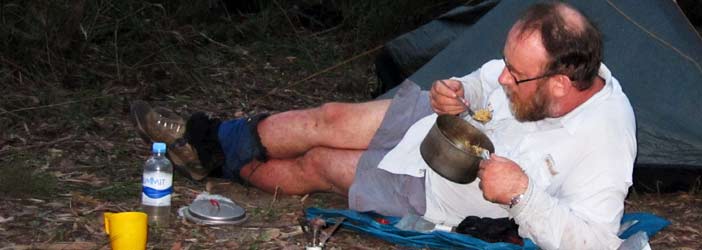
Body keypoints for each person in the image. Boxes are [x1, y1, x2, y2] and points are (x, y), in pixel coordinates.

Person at [131, 2, 636, 249]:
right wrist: (459, 93)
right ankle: (205, 139)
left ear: (562, 83)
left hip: (436, 189)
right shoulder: (532, 70)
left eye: (517, 75)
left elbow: (595, 242)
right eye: (506, 63)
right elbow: (483, 82)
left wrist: (524, 197)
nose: (503, 76)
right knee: (328, 117)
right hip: (439, 126)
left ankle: (223, 171)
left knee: (320, 165)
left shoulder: (606, 136)